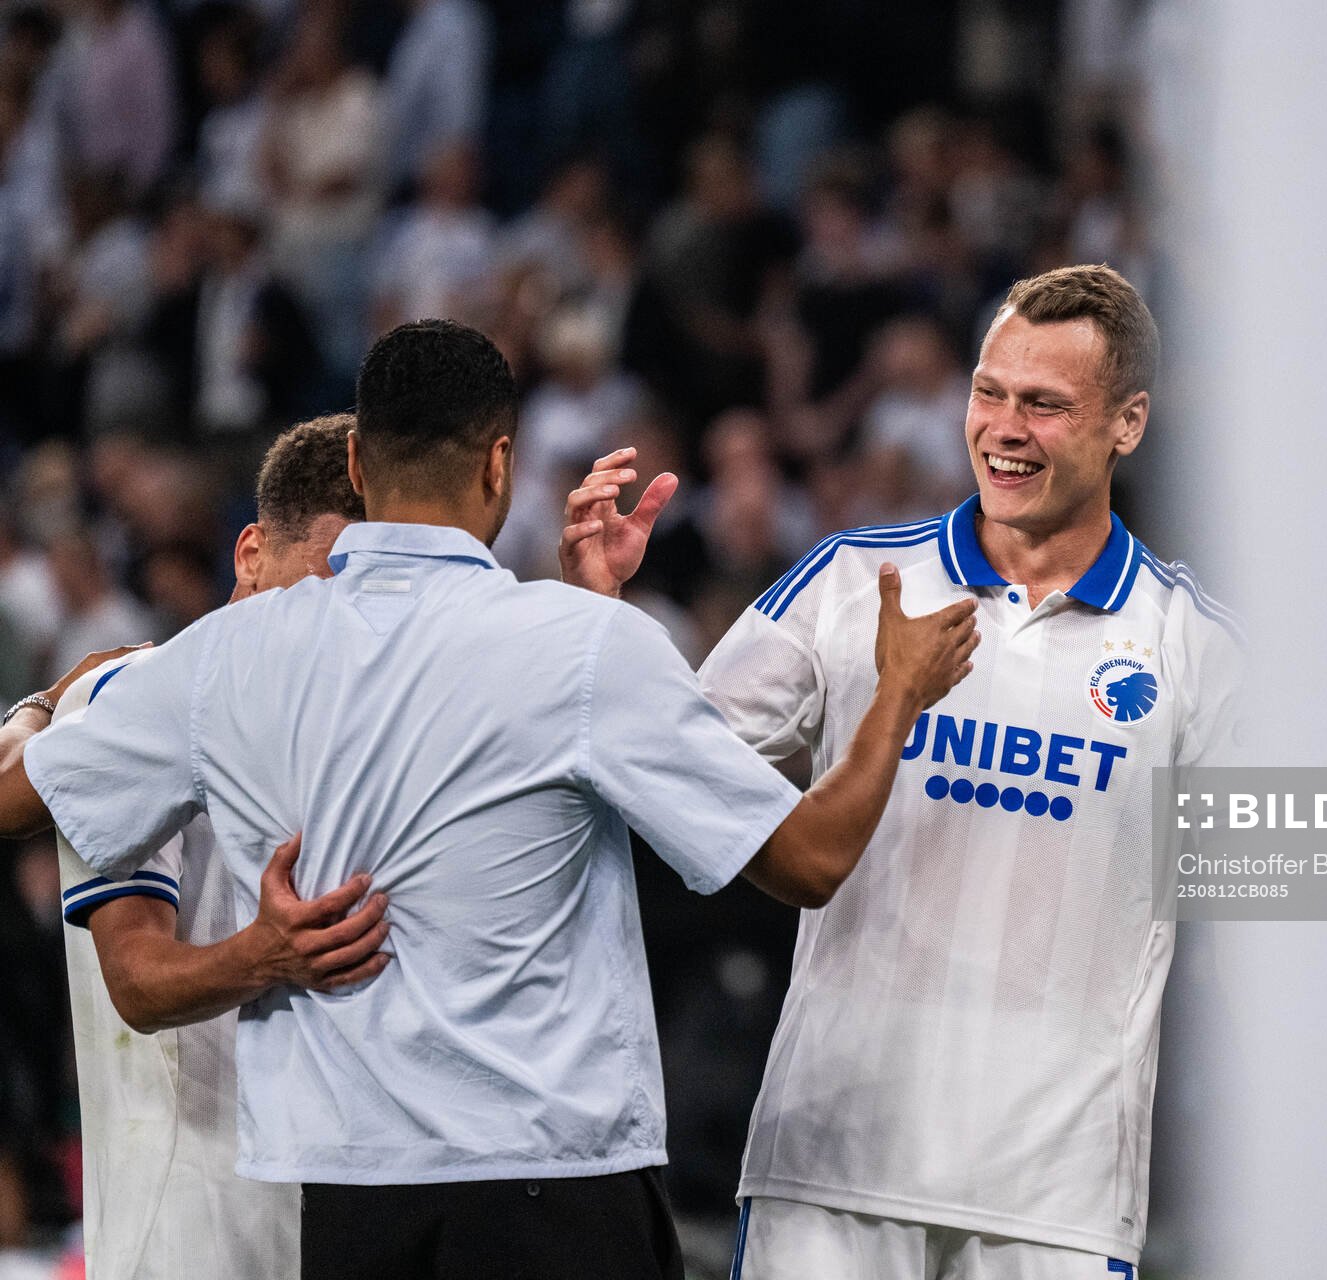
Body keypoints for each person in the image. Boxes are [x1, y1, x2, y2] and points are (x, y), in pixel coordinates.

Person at [0, 318, 978, 1280]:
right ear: (500, 463)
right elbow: (811, 858)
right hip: (558, 1191)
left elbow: (20, 797)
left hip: (349, 1208)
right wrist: (896, 690)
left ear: (356, 454)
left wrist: (52, 704)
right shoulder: (585, 646)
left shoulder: (214, 660)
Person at [561, 265, 1242, 1278]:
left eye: (1045, 403)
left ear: (1128, 423)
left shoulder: (1194, 645)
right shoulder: (848, 580)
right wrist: (604, 619)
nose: (1003, 427)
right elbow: (667, 777)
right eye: (989, 391)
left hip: (1055, 1199)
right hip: (829, 1165)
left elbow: (1298, 874)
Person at [22, 415, 387, 1280]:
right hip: (187, 1225)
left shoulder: (359, 724)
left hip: (338, 1213)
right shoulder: (132, 697)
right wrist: (267, 953)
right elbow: (138, 982)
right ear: (250, 550)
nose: (341, 614)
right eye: (327, 573)